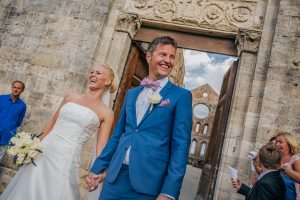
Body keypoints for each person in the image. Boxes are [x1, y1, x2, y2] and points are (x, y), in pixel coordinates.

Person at [85, 36, 193, 200]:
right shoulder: (132, 94)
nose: (168, 60)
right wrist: (98, 168)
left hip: (149, 183)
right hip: (114, 179)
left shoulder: (181, 96)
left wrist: (169, 192)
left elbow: (181, 146)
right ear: (149, 56)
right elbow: (118, 135)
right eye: (163, 54)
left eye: (172, 57)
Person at [0, 64, 117, 200]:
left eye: (98, 73)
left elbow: (101, 148)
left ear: (107, 81)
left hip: (66, 158)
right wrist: (32, 144)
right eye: (92, 72)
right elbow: (52, 123)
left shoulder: (107, 113)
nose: (92, 74)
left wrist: (100, 172)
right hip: (44, 150)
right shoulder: (71, 96)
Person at [0, 80, 26, 162]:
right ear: (11, 88)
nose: (15, 89)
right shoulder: (1, 98)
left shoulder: (23, 106)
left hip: (7, 136)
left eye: (18, 88)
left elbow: (19, 122)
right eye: (14, 87)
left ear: (22, 90)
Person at [276, 132, 300, 199]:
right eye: (276, 142)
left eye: (280, 142)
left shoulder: (295, 159)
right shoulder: (276, 158)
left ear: (289, 144)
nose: (277, 144)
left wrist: (284, 168)